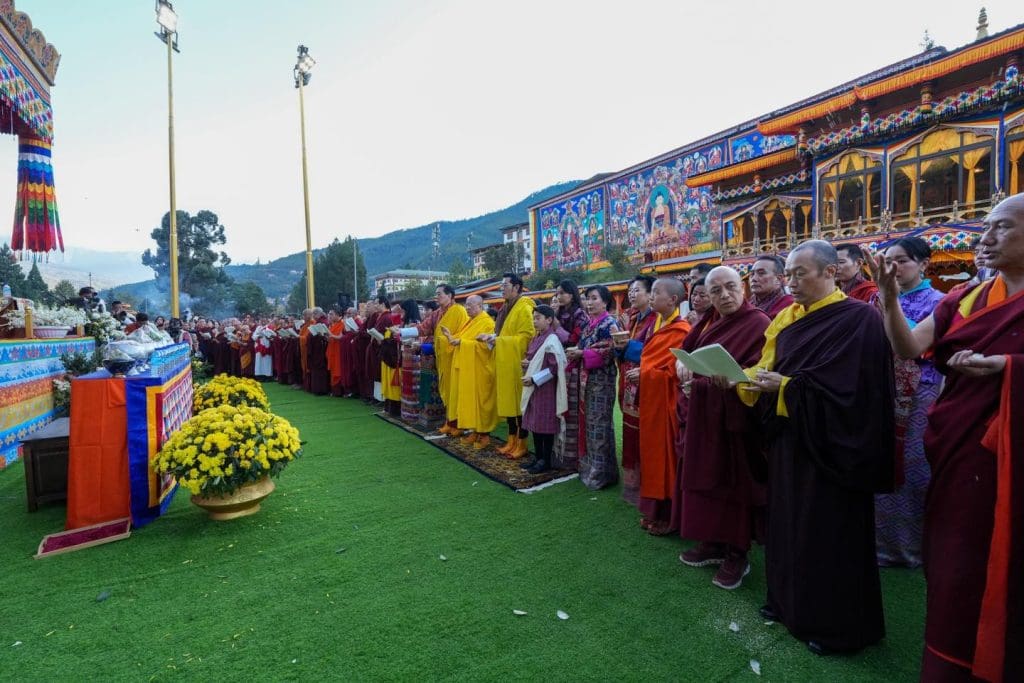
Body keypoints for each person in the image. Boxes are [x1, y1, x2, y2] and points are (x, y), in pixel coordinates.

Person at [866, 193, 1024, 682]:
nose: (987, 238)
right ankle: (952, 661)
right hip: (961, 447)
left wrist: (1008, 368)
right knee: (956, 559)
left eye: (1002, 227)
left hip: (1009, 453)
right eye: (987, 227)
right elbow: (909, 347)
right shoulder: (966, 298)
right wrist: (889, 300)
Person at [742, 240, 895, 655]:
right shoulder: (789, 318)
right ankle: (787, 602)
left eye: (799, 274)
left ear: (830, 273)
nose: (790, 282)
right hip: (791, 439)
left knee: (826, 532)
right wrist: (753, 380)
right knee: (788, 522)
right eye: (787, 274)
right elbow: (774, 368)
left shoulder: (858, 319)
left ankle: (836, 628)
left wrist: (788, 387)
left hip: (834, 448)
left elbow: (854, 393)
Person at [675, 266, 771, 590]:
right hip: (706, 414)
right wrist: (684, 368)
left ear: (742, 288)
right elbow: (688, 352)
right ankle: (712, 542)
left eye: (730, 287)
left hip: (737, 421)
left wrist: (730, 381)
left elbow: (760, 370)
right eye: (716, 291)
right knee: (705, 478)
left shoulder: (758, 322)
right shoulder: (708, 321)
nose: (724, 295)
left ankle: (736, 553)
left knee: (733, 485)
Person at [869, 237, 944, 568]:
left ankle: (912, 548)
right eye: (887, 261)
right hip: (880, 392)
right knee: (879, 465)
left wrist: (891, 303)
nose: (892, 268)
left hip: (921, 396)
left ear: (924, 264)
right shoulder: (876, 298)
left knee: (914, 472)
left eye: (901, 261)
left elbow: (913, 345)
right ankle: (879, 544)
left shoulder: (939, 302)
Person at [635, 277, 690, 534]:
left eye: (657, 292)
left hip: (667, 403)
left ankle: (669, 516)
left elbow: (674, 372)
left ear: (673, 300)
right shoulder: (659, 324)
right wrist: (645, 371)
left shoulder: (681, 330)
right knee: (652, 454)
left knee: (666, 456)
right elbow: (653, 362)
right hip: (652, 402)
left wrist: (644, 372)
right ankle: (654, 510)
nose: (652, 296)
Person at [566, 285, 619, 490]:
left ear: (605, 302)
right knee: (589, 425)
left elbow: (610, 350)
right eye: (587, 298)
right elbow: (582, 347)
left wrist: (582, 353)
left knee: (600, 426)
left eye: (594, 298)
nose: (589, 303)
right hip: (587, 381)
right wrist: (577, 353)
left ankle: (601, 474)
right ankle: (593, 469)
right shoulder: (589, 325)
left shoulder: (609, 323)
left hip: (601, 382)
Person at [482, 274, 536, 458]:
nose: (501, 288)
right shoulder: (505, 308)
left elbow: (527, 337)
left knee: (519, 404)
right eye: (501, 285)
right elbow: (500, 333)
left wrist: (499, 340)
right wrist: (492, 339)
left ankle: (522, 443)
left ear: (517, 287)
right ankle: (511, 439)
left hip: (518, 362)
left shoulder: (525, 307)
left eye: (505, 285)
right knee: (508, 403)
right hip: (505, 361)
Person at [614, 275, 657, 505]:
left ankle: (647, 486)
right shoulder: (632, 319)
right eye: (630, 290)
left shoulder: (655, 320)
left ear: (651, 294)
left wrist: (626, 346)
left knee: (644, 434)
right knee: (630, 431)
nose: (631, 294)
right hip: (628, 381)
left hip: (644, 382)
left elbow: (653, 350)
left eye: (637, 290)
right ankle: (633, 485)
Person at [520, 305, 568, 474]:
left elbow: (554, 369)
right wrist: (527, 364)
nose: (535, 321)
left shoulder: (552, 340)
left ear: (549, 320)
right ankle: (538, 457)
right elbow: (533, 359)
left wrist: (534, 378)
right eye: (534, 318)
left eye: (538, 318)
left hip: (545, 389)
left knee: (544, 426)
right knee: (533, 423)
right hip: (534, 389)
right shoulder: (536, 338)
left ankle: (545, 460)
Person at [444, 295, 497, 449]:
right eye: (466, 305)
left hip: (481, 369)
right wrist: (451, 337)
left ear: (480, 305)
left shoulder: (487, 322)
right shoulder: (471, 322)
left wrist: (461, 342)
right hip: (469, 368)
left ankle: (484, 435)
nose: (467, 308)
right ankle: (474, 431)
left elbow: (486, 347)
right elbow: (460, 339)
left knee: (481, 402)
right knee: (470, 401)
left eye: (470, 305)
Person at [546, 279, 588, 468]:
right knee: (558, 409)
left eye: (562, 292)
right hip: (557, 366)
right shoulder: (559, 313)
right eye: (557, 292)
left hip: (573, 368)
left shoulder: (579, 315)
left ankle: (572, 457)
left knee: (570, 411)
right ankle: (558, 453)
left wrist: (555, 324)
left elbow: (574, 340)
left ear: (572, 294)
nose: (558, 296)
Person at [421, 285, 469, 435]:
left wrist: (444, 340)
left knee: (456, 391)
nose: (437, 297)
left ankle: (459, 424)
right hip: (442, 358)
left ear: (450, 295)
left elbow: (464, 333)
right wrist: (402, 332)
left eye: (440, 294)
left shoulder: (459, 311)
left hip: (454, 356)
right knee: (447, 391)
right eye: (436, 294)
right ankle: (449, 422)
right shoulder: (436, 313)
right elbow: (423, 328)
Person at [326, 307, 347, 396]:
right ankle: (334, 391)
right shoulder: (334, 325)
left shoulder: (342, 324)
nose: (330, 316)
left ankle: (339, 392)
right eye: (329, 314)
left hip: (338, 351)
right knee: (333, 370)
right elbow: (331, 338)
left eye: (332, 314)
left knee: (338, 371)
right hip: (332, 350)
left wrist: (331, 335)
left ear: (338, 315)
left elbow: (341, 337)